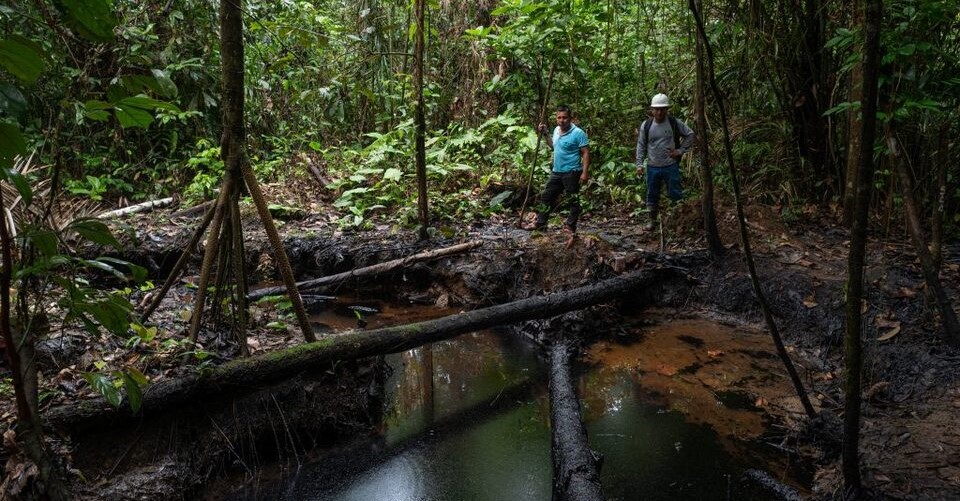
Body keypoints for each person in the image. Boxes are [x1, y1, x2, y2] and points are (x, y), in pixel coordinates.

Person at [523, 104, 590, 233]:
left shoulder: (578, 133)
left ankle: (570, 226)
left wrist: (584, 173)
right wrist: (545, 133)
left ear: (570, 118)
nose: (561, 120)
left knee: (572, 200)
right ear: (556, 118)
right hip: (557, 171)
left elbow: (586, 152)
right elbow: (554, 146)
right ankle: (541, 223)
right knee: (546, 197)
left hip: (572, 171)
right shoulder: (556, 130)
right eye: (559, 117)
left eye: (564, 117)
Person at [636, 93, 695, 231]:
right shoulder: (647, 125)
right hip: (652, 166)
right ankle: (652, 221)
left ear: (667, 109)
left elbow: (690, 135)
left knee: (675, 192)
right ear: (652, 110)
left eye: (662, 109)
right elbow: (641, 145)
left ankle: (678, 220)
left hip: (671, 165)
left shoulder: (674, 123)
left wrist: (680, 151)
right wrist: (639, 164)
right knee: (652, 193)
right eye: (656, 109)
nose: (659, 112)